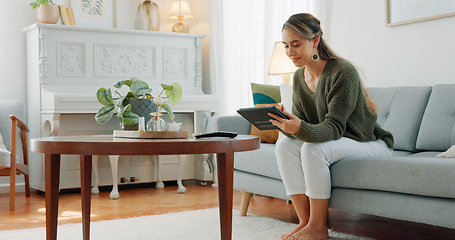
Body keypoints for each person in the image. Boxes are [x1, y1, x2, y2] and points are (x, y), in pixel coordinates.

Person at [269, 13, 394, 240]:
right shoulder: (298, 77)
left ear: (315, 41)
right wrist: (283, 122)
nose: (290, 52)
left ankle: (318, 227)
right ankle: (305, 222)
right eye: (286, 45)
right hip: (336, 141)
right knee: (285, 146)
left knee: (312, 149)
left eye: (296, 44)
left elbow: (334, 128)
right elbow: (304, 124)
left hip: (367, 141)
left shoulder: (343, 71)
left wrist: (298, 127)